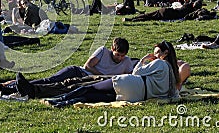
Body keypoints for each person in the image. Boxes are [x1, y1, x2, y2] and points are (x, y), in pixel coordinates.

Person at [43, 41, 180, 108]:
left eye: (157, 52)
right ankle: (68, 102)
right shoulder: (173, 73)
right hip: (138, 96)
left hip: (132, 83)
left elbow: (137, 72)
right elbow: (174, 93)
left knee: (89, 88)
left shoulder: (160, 64)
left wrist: (144, 60)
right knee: (100, 97)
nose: (155, 55)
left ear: (165, 53)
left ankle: (59, 100)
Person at [0, 38, 133, 99]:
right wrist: (101, 76)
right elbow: (88, 66)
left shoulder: (127, 62)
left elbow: (130, 77)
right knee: (50, 80)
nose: (119, 58)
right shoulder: (103, 51)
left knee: (56, 86)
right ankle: (11, 87)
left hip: (88, 81)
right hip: (80, 72)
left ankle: (13, 88)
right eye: (117, 55)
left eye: (122, 56)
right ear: (112, 49)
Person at [123, 0, 203, 22]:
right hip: (168, 15)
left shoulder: (186, 5)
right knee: (149, 18)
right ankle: (133, 20)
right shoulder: (190, 12)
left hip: (167, 10)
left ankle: (131, 19)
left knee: (148, 15)